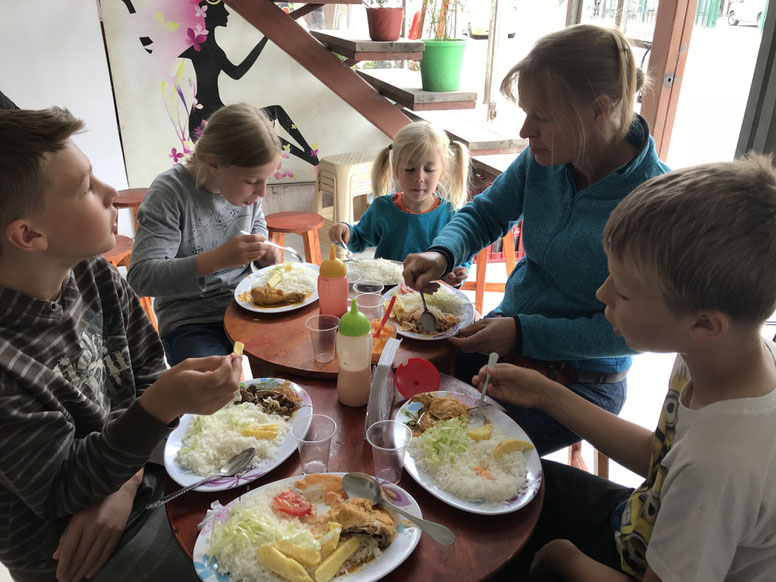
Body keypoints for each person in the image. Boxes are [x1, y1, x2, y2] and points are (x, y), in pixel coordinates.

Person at [479, 155, 776, 581]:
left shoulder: (720, 467)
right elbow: (662, 459)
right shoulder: (717, 353)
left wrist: (560, 558)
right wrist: (548, 395)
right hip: (638, 519)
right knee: (503, 489)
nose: (602, 293)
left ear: (704, 323)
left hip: (635, 561)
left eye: (625, 293)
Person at [0, 106, 243, 582]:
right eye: (86, 187)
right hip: (72, 551)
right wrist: (157, 409)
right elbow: (60, 487)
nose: (112, 192)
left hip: (136, 484)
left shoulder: (93, 273)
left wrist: (128, 480)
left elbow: (148, 368)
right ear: (29, 235)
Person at [403, 24, 670, 454]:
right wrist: (442, 250)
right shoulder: (546, 157)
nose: (526, 131)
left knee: (461, 451)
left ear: (598, 111)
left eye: (541, 117)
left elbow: (627, 334)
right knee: (406, 381)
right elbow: (488, 211)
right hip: (509, 336)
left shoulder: (655, 203)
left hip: (582, 380)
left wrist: (525, 333)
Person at [128, 103, 283, 366]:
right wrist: (215, 260)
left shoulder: (247, 191)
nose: (262, 193)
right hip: (190, 319)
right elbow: (141, 277)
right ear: (213, 164)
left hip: (246, 306)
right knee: (210, 393)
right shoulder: (170, 193)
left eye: (267, 180)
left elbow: (257, 226)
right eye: (252, 181)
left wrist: (264, 252)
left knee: (291, 366)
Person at [329, 121, 472, 287]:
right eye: (410, 169)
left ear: (442, 172)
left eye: (429, 169)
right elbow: (359, 240)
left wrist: (457, 272)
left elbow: (462, 256)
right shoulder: (382, 208)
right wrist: (345, 231)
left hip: (430, 297)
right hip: (385, 295)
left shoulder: (450, 214)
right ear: (396, 169)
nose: (419, 177)